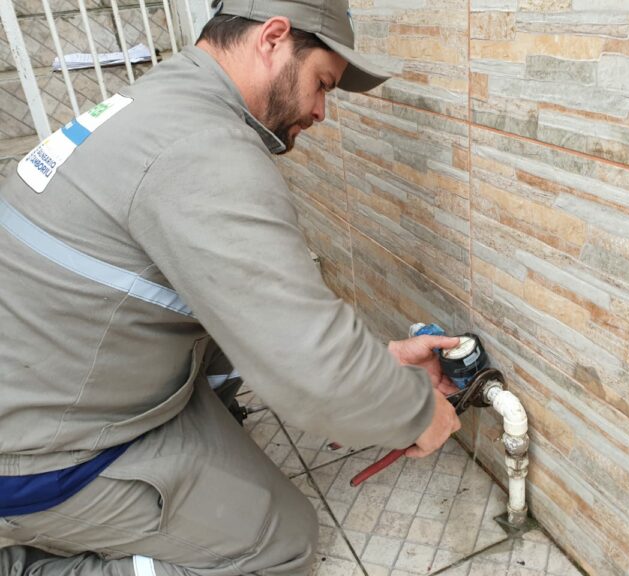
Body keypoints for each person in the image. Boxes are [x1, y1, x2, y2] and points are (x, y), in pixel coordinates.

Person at [0, 0, 462, 574]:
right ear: (272, 37)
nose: (320, 111)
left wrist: (381, 361)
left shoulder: (161, 99)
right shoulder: (201, 149)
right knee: (280, 543)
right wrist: (417, 411)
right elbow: (312, 370)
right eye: (322, 84)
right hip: (40, 456)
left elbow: (263, 317)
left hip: (48, 381)